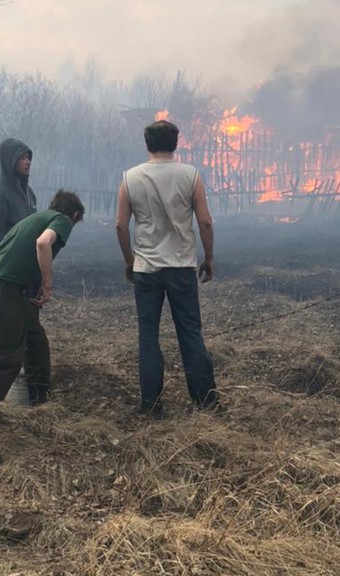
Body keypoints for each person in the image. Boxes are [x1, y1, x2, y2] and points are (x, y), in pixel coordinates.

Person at [0, 190, 85, 466]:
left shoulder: (38, 216)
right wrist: (48, 282)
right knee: (3, 361)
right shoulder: (60, 220)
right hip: (5, 288)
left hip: (3, 282)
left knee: (35, 338)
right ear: (74, 216)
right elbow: (42, 244)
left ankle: (39, 400)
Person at [116, 120, 221, 418]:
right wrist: (209, 257)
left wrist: (129, 260)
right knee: (190, 334)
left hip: (146, 269)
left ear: (147, 143)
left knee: (148, 336)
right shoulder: (191, 175)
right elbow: (205, 222)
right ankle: (205, 404)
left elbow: (121, 224)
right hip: (181, 268)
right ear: (176, 143)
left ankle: (151, 406)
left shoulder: (129, 178)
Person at [0, 138, 45, 405]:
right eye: (22, 157)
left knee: (34, 334)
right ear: (10, 161)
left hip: (31, 273)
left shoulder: (28, 194)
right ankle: (10, 393)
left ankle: (38, 391)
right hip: (10, 277)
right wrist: (13, 267)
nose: (28, 162)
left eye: (29, 157)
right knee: (9, 338)